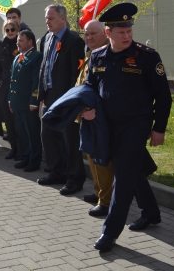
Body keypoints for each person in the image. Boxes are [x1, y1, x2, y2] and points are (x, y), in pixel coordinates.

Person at [83, 3, 172, 252]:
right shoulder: (98, 57)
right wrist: (84, 109)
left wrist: (159, 128)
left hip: (136, 125)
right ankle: (151, 212)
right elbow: (89, 89)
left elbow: (163, 96)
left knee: (122, 178)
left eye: (129, 29)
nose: (127, 35)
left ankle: (110, 233)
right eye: (121, 31)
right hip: (107, 126)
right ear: (109, 32)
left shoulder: (146, 56)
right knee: (133, 170)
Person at [37, 4, 86, 195]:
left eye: (51, 18)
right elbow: (44, 67)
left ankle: (75, 178)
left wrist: (74, 99)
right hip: (49, 96)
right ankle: (57, 171)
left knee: (70, 140)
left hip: (66, 98)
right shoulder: (47, 38)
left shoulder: (74, 40)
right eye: (46, 18)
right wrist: (41, 95)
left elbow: (77, 73)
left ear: (63, 19)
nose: (47, 21)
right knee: (48, 135)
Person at [76, 20, 115, 218]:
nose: (89, 38)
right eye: (86, 34)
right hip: (87, 115)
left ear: (105, 34)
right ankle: (100, 192)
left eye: (93, 34)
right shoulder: (91, 55)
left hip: (99, 116)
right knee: (91, 156)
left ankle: (106, 201)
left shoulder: (108, 55)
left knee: (102, 160)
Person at [9, 30, 43, 171]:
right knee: (22, 132)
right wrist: (10, 100)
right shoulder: (18, 57)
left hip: (28, 103)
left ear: (30, 42)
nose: (18, 43)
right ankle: (25, 157)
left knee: (32, 133)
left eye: (21, 40)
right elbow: (12, 81)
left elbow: (36, 81)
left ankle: (34, 161)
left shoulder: (36, 56)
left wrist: (34, 101)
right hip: (17, 102)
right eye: (17, 40)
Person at [0, 20, 20, 160]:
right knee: (8, 120)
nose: (10, 32)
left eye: (12, 30)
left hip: (16, 85)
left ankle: (21, 149)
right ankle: (14, 149)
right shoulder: (2, 46)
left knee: (17, 120)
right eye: (7, 30)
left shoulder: (20, 44)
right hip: (3, 86)